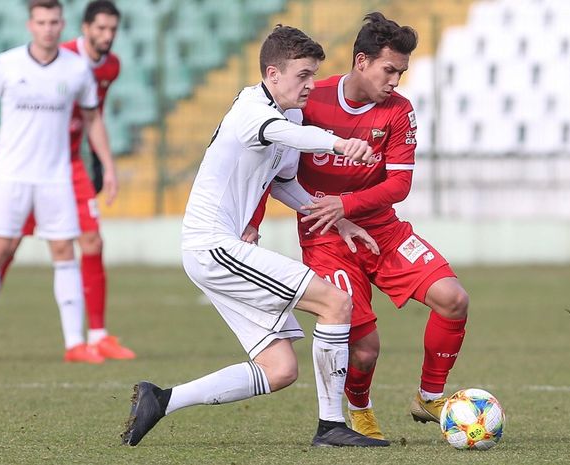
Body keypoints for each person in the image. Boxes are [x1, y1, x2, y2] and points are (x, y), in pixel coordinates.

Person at [121, 25, 390, 448]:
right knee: (336, 302)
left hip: (221, 249)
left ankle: (163, 400)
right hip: (213, 245)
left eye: (314, 75)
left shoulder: (293, 114)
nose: (310, 85)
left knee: (280, 368)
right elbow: (285, 136)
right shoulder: (252, 109)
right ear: (272, 74)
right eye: (303, 75)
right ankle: (331, 427)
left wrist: (339, 220)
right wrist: (341, 143)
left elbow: (283, 183)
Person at [293, 12, 470, 438]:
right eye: (389, 70)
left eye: (402, 72)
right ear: (361, 62)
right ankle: (359, 409)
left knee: (454, 299)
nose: (395, 81)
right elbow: (269, 166)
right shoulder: (309, 100)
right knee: (366, 349)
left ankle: (429, 398)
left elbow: (400, 183)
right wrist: (253, 222)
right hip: (326, 240)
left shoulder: (398, 111)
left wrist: (348, 203)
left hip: (383, 232)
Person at [0, 0, 118, 364]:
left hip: (55, 178)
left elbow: (93, 120)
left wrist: (108, 165)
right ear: (30, 25)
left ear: (62, 24)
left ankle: (75, 344)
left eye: (54, 22)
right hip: (11, 176)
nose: (48, 28)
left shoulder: (76, 69)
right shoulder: (7, 64)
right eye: (41, 22)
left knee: (63, 251)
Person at [0, 0, 136, 361]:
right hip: (34, 165)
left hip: (70, 165)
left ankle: (98, 334)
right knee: (6, 246)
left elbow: (93, 115)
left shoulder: (111, 67)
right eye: (100, 29)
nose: (107, 36)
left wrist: (103, 162)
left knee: (92, 240)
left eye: (112, 30)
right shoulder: (64, 57)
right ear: (84, 28)